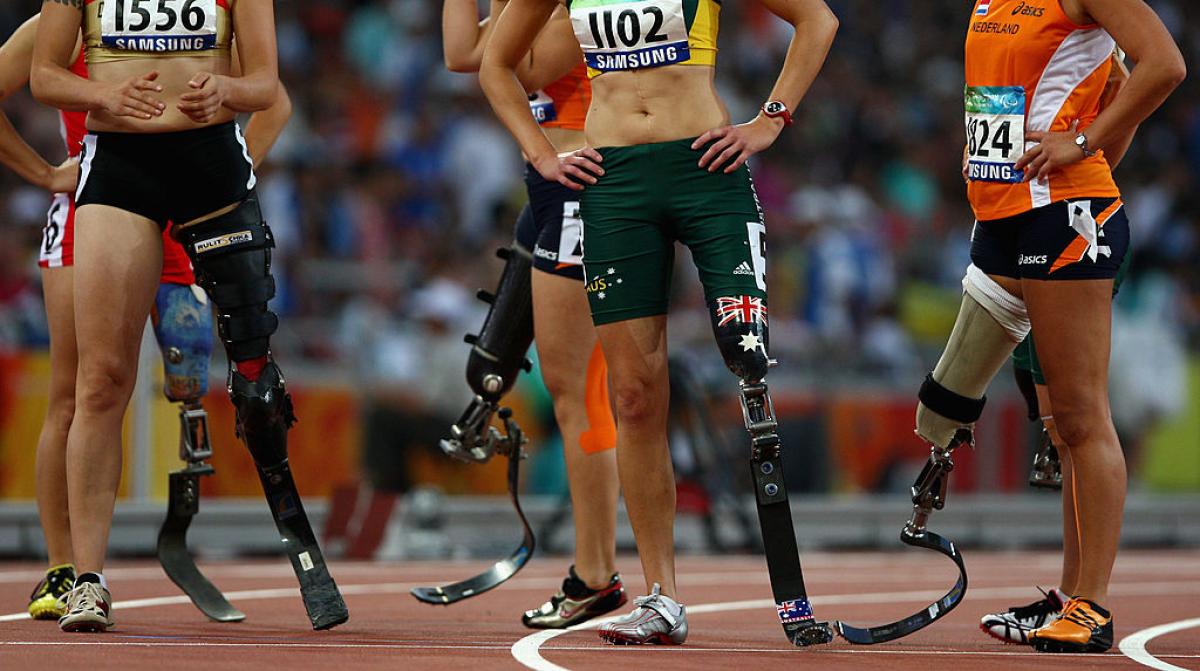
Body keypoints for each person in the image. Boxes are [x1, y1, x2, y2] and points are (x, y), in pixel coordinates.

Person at [481, 0, 837, 644]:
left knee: (746, 356)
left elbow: (818, 18)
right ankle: (661, 596)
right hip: (614, 184)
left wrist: (770, 120)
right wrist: (540, 155)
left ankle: (788, 578)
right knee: (633, 398)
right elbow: (494, 65)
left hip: (705, 169)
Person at [0, 13, 291, 620]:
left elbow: (273, 98)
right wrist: (48, 173)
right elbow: (41, 79)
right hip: (100, 196)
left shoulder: (206, 25)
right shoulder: (65, 23)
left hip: (190, 198)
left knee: (187, 382)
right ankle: (67, 568)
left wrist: (233, 184)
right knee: (81, 388)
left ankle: (156, 528)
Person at [916, 0, 1183, 653]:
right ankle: (1067, 598)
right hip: (1003, 221)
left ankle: (1091, 607)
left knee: (1083, 415)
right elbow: (1091, 79)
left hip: (1064, 217)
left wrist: (1084, 148)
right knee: (1058, 423)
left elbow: (1163, 66)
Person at [442, 0, 625, 628]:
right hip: (553, 185)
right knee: (579, 389)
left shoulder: (581, 9)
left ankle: (596, 573)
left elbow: (513, 68)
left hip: (582, 183)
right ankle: (597, 570)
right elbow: (461, 54)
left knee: (580, 391)